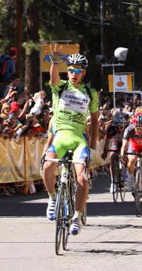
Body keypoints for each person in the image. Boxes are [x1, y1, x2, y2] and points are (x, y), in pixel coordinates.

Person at [41, 48, 99, 236]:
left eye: (78, 70)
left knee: (82, 177)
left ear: (84, 72)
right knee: (48, 166)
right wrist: (55, 63)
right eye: (71, 70)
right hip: (60, 137)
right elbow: (53, 79)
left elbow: (96, 120)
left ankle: (77, 215)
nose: (74, 74)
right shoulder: (61, 87)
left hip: (78, 139)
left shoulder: (90, 92)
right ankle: (52, 198)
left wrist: (93, 145)